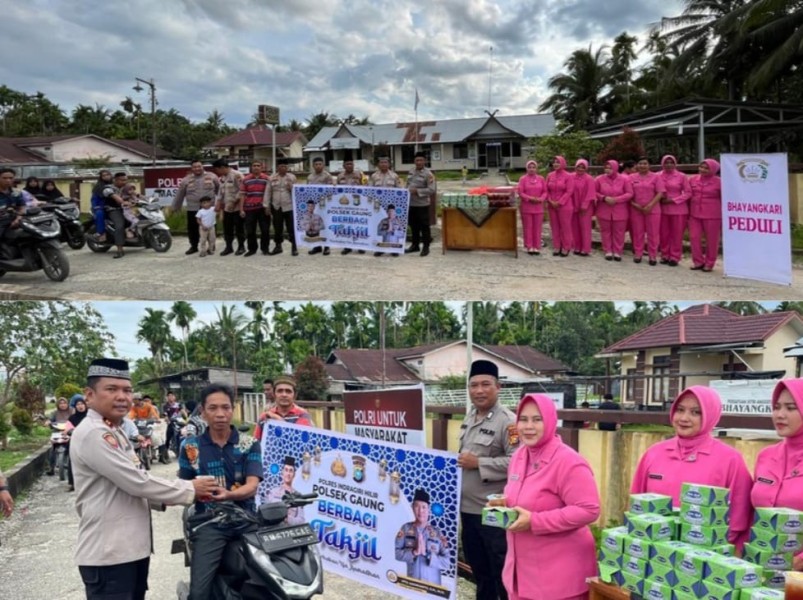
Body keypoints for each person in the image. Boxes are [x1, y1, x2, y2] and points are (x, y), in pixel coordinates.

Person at [71, 358, 217, 600]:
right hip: (109, 555)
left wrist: (163, 499)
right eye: (111, 389)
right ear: (89, 395)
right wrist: (190, 489)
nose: (122, 397)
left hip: (127, 550)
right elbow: (135, 481)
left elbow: (134, 480)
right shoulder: (95, 433)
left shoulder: (115, 429)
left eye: (127, 390)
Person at [501, 393, 600, 600]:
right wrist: (502, 503)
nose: (529, 426)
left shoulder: (568, 461)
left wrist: (535, 521)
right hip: (521, 574)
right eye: (523, 419)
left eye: (537, 419)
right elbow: (522, 497)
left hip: (558, 579)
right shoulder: (519, 456)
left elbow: (589, 509)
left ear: (551, 421)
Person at [630, 385, 753, 547]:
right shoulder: (654, 453)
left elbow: (739, 517)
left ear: (710, 416)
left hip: (706, 554)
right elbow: (637, 504)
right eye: (680, 410)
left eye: (696, 412)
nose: (684, 418)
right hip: (654, 551)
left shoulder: (730, 459)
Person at [178, 383, 262, 600]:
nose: (220, 414)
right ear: (203, 412)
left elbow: (252, 485)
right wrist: (192, 490)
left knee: (272, 580)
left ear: (233, 409)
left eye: (225, 407)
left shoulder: (249, 443)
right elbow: (184, 486)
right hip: (209, 523)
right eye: (213, 408)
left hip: (247, 520)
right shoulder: (190, 447)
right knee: (199, 593)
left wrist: (229, 495)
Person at [459, 359, 518, 600]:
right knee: (480, 572)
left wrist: (479, 463)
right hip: (468, 510)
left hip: (492, 513)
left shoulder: (508, 422)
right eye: (474, 385)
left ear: (498, 387)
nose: (479, 390)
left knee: (500, 573)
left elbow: (516, 462)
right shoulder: (471, 416)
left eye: (485, 384)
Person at [751, 379, 803, 571]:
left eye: (791, 408)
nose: (780, 415)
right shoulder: (766, 455)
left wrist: (799, 561)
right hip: (762, 567)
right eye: (776, 407)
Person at [395, 488, 449, 586]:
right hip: (413, 584)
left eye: (424, 507)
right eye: (417, 506)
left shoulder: (437, 533)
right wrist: (414, 552)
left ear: (428, 509)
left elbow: (447, 562)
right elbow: (396, 553)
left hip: (433, 587)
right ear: (412, 508)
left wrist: (428, 555)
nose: (420, 511)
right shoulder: (405, 528)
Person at [171, 160, 220, 255]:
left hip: (209, 209)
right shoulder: (186, 180)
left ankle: (211, 245)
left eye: (199, 166)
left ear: (202, 167)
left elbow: (219, 190)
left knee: (211, 227)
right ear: (191, 168)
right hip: (192, 208)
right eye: (195, 167)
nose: (197, 168)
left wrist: (221, 203)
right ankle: (193, 246)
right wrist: (175, 207)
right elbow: (180, 194)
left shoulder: (212, 176)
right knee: (193, 228)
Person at [629, 156, 666, 266]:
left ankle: (652, 255)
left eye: (645, 163)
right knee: (637, 232)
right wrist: (635, 205)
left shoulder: (656, 177)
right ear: (637, 165)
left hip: (653, 209)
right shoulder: (631, 177)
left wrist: (650, 205)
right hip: (636, 209)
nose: (642, 165)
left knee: (653, 233)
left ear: (649, 165)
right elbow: (628, 193)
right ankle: (638, 253)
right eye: (640, 163)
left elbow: (660, 192)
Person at [253, 375, 313, 441]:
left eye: (288, 391)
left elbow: (298, 440)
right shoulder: (264, 417)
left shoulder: (302, 415)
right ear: (274, 394)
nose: (284, 395)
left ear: (295, 395)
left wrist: (277, 419)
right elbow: (255, 442)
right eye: (280, 391)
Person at [594, 160, 633, 262]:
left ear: (615, 168)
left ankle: (617, 251)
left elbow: (629, 193)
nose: (608, 170)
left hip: (620, 209)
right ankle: (607, 250)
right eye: (606, 168)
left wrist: (616, 199)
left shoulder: (624, 179)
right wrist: (604, 198)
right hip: (604, 208)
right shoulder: (599, 179)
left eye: (610, 168)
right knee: (605, 231)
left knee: (619, 232)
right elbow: (594, 191)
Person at [688, 158, 722, 272]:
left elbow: (724, 198)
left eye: (707, 168)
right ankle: (698, 261)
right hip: (694, 213)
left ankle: (710, 262)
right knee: (694, 237)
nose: (703, 169)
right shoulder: (693, 179)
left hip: (713, 214)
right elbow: (688, 194)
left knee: (712, 240)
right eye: (701, 167)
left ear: (714, 169)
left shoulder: (720, 182)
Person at [657, 155, 691, 267]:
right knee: (663, 234)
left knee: (677, 234)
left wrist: (673, 200)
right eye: (666, 162)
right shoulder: (657, 175)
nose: (669, 164)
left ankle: (675, 256)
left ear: (675, 163)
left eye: (671, 162)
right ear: (662, 163)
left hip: (678, 209)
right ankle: (664, 255)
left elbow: (688, 193)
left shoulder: (681, 176)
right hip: (661, 208)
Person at [212, 158, 246, 256]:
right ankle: (229, 247)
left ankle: (241, 247)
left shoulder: (237, 175)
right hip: (226, 208)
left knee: (239, 228)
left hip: (237, 208)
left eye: (217, 170)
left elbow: (242, 191)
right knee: (227, 229)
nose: (217, 172)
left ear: (222, 167)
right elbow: (220, 193)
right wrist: (218, 204)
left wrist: (234, 202)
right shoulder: (222, 178)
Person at [371, 156, 404, 257]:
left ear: (389, 164)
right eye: (381, 162)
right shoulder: (374, 176)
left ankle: (394, 248)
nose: (383, 164)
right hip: (379, 206)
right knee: (381, 226)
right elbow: (369, 190)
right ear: (378, 164)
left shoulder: (394, 176)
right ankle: (380, 248)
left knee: (393, 225)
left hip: (391, 206)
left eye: (385, 162)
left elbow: (400, 190)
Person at [406, 152, 437, 257]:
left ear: (425, 161)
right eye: (417, 160)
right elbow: (408, 185)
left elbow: (432, 190)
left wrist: (417, 191)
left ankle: (426, 247)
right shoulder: (411, 171)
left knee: (424, 227)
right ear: (414, 161)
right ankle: (415, 245)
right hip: (411, 204)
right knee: (413, 226)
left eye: (421, 160)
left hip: (422, 205)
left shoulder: (428, 174)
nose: (419, 162)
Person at [238, 160, 272, 257]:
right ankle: (252, 249)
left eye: (258, 165)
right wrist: (241, 209)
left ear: (261, 168)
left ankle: (265, 249)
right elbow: (242, 195)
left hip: (263, 208)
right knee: (250, 230)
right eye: (254, 165)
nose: (256, 167)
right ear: (251, 167)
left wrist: (269, 207)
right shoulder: (246, 179)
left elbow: (270, 194)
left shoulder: (267, 179)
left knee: (265, 230)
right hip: (249, 209)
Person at [266, 158, 298, 256]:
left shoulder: (292, 177)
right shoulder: (272, 178)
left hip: (289, 206)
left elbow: (298, 192)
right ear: (277, 167)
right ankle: (278, 246)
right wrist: (266, 206)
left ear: (287, 167)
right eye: (281, 166)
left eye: (285, 166)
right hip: (276, 207)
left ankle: (294, 246)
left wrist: (291, 188)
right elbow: (268, 192)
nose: (283, 168)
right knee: (277, 227)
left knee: (291, 228)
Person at [545, 156, 575, 257]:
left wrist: (560, 202)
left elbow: (569, 191)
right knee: (554, 227)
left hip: (565, 205)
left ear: (562, 163)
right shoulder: (550, 175)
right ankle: (557, 246)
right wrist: (550, 200)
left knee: (565, 227)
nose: (555, 164)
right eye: (554, 162)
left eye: (558, 162)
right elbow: (546, 190)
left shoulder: (568, 176)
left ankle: (566, 247)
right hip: (552, 205)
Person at [516, 160, 546, 256]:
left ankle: (536, 246)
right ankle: (529, 246)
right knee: (528, 227)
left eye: (533, 167)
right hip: (527, 206)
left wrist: (540, 199)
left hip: (538, 206)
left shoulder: (541, 179)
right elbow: (520, 192)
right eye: (529, 167)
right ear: (527, 168)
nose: (532, 169)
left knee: (537, 227)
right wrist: (530, 198)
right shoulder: (523, 179)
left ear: (536, 169)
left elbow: (545, 191)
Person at [337, 155, 365, 255]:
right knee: (346, 226)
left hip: (357, 204)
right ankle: (347, 246)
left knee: (358, 225)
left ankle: (360, 245)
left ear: (353, 165)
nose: (349, 166)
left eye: (351, 164)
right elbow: (337, 191)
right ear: (343, 165)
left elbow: (365, 187)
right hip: (344, 206)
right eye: (347, 164)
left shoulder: (359, 175)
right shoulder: (340, 176)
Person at [306, 156, 335, 256]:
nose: (318, 166)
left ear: (323, 165)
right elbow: (307, 190)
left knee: (325, 226)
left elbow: (331, 191)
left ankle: (327, 247)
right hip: (314, 206)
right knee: (315, 226)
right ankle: (317, 246)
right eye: (316, 164)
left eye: (320, 164)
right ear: (313, 166)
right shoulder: (310, 177)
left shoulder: (327, 176)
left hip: (324, 205)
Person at [266, 456, 306, 525]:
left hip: (289, 529)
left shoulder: (298, 496)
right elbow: (266, 512)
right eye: (286, 470)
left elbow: (301, 520)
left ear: (294, 475)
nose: (288, 474)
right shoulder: (273, 493)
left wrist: (288, 519)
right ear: (282, 473)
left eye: (291, 471)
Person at [100, 172, 130, 259]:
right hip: (113, 210)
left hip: (125, 209)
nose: (124, 182)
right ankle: (120, 250)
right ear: (115, 180)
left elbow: (134, 194)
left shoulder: (125, 188)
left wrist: (146, 198)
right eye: (122, 180)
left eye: (126, 180)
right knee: (119, 225)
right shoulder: (108, 189)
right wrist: (123, 202)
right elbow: (116, 197)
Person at [571, 159, 596, 257]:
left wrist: (584, 206)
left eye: (583, 167)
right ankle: (577, 246)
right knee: (575, 227)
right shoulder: (571, 177)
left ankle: (585, 248)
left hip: (586, 207)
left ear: (586, 168)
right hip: (573, 205)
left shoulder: (589, 179)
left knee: (585, 228)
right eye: (579, 167)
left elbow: (590, 193)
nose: (580, 169)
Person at [65, 397, 89, 491]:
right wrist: (73, 431)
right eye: (78, 404)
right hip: (75, 443)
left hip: (89, 442)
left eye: (82, 404)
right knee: (72, 462)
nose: (80, 406)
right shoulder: (72, 418)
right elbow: (68, 429)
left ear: (85, 405)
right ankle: (72, 483)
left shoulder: (90, 417)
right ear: (75, 407)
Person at [46, 397, 73, 475]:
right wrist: (48, 422)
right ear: (58, 404)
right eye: (60, 403)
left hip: (69, 432)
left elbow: (76, 419)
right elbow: (50, 420)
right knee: (52, 449)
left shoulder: (72, 411)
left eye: (64, 403)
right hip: (57, 431)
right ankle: (51, 468)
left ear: (67, 404)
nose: (62, 405)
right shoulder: (55, 413)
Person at [0, 168, 27, 243]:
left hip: (16, 219)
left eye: (11, 178)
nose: (8, 180)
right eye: (4, 178)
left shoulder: (16, 192)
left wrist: (18, 218)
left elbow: (22, 206)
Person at [89, 170, 113, 243]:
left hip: (113, 206)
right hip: (101, 207)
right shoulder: (98, 187)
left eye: (107, 174)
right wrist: (96, 207)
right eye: (104, 175)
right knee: (99, 214)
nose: (106, 176)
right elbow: (94, 199)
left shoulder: (114, 184)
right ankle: (101, 233)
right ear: (101, 177)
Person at [161, 391, 184, 459]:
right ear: (167, 397)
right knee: (168, 437)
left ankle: (180, 450)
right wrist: (167, 419)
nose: (170, 397)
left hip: (179, 422)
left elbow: (183, 412)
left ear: (174, 397)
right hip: (171, 422)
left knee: (182, 434)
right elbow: (165, 414)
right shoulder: (165, 406)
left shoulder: (178, 404)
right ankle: (165, 453)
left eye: (172, 396)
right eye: (169, 396)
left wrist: (186, 418)